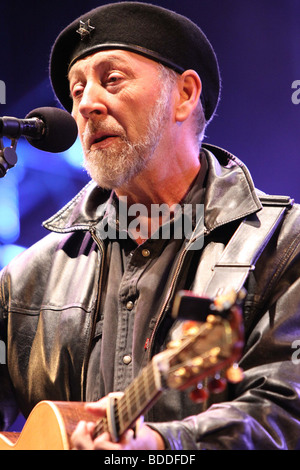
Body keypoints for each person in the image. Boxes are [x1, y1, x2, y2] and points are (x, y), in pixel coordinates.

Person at [1, 2, 300, 450]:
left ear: (184, 94)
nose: (86, 104)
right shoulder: (26, 279)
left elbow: (287, 410)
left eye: (111, 79)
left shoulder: (282, 245)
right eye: (76, 88)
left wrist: (166, 446)